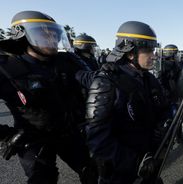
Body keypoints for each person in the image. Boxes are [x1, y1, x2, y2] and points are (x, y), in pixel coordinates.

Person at [0, 11, 96, 184]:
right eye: (43, 34)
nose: (51, 39)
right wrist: (6, 134)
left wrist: (108, 77)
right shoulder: (8, 68)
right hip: (33, 138)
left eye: (54, 34)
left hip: (68, 132)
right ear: (23, 36)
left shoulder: (66, 60)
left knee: (93, 171)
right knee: (42, 179)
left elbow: (89, 78)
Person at [82, 21, 170, 184]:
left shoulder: (148, 78)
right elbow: (97, 138)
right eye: (148, 50)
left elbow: (162, 106)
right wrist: (136, 163)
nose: (154, 55)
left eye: (154, 50)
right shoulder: (107, 82)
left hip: (149, 156)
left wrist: (166, 123)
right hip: (121, 170)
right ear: (130, 53)